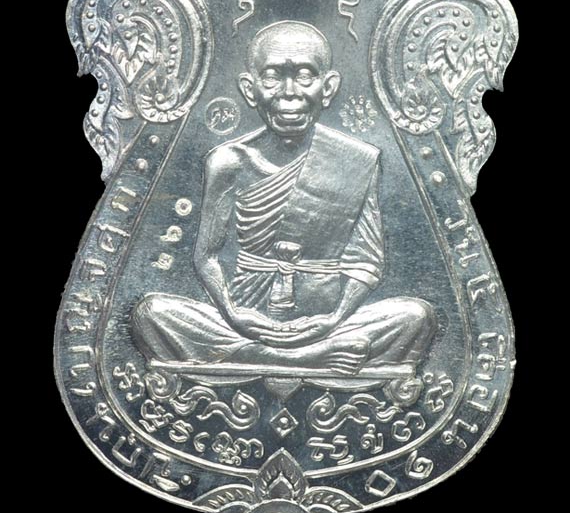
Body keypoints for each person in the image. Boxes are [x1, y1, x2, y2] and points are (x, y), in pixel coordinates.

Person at [132, 21, 435, 376]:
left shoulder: (355, 159)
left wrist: (335, 318)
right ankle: (306, 359)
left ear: (328, 87)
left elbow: (367, 261)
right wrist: (233, 313)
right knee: (151, 314)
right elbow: (207, 256)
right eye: (273, 76)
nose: (290, 93)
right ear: (250, 89)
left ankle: (267, 357)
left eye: (305, 75)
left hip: (327, 323)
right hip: (244, 320)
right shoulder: (228, 161)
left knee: (416, 317)